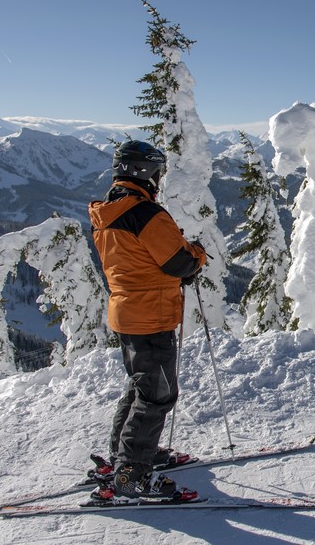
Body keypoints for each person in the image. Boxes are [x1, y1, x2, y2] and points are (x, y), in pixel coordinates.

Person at [88, 140, 207, 502]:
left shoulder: (109, 213)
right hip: (150, 316)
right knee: (158, 396)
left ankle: (126, 458)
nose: (160, 178)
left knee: (143, 388)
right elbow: (179, 262)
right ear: (146, 172)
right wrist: (198, 254)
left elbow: (137, 262)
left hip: (127, 312)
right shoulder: (146, 214)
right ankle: (131, 475)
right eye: (158, 171)